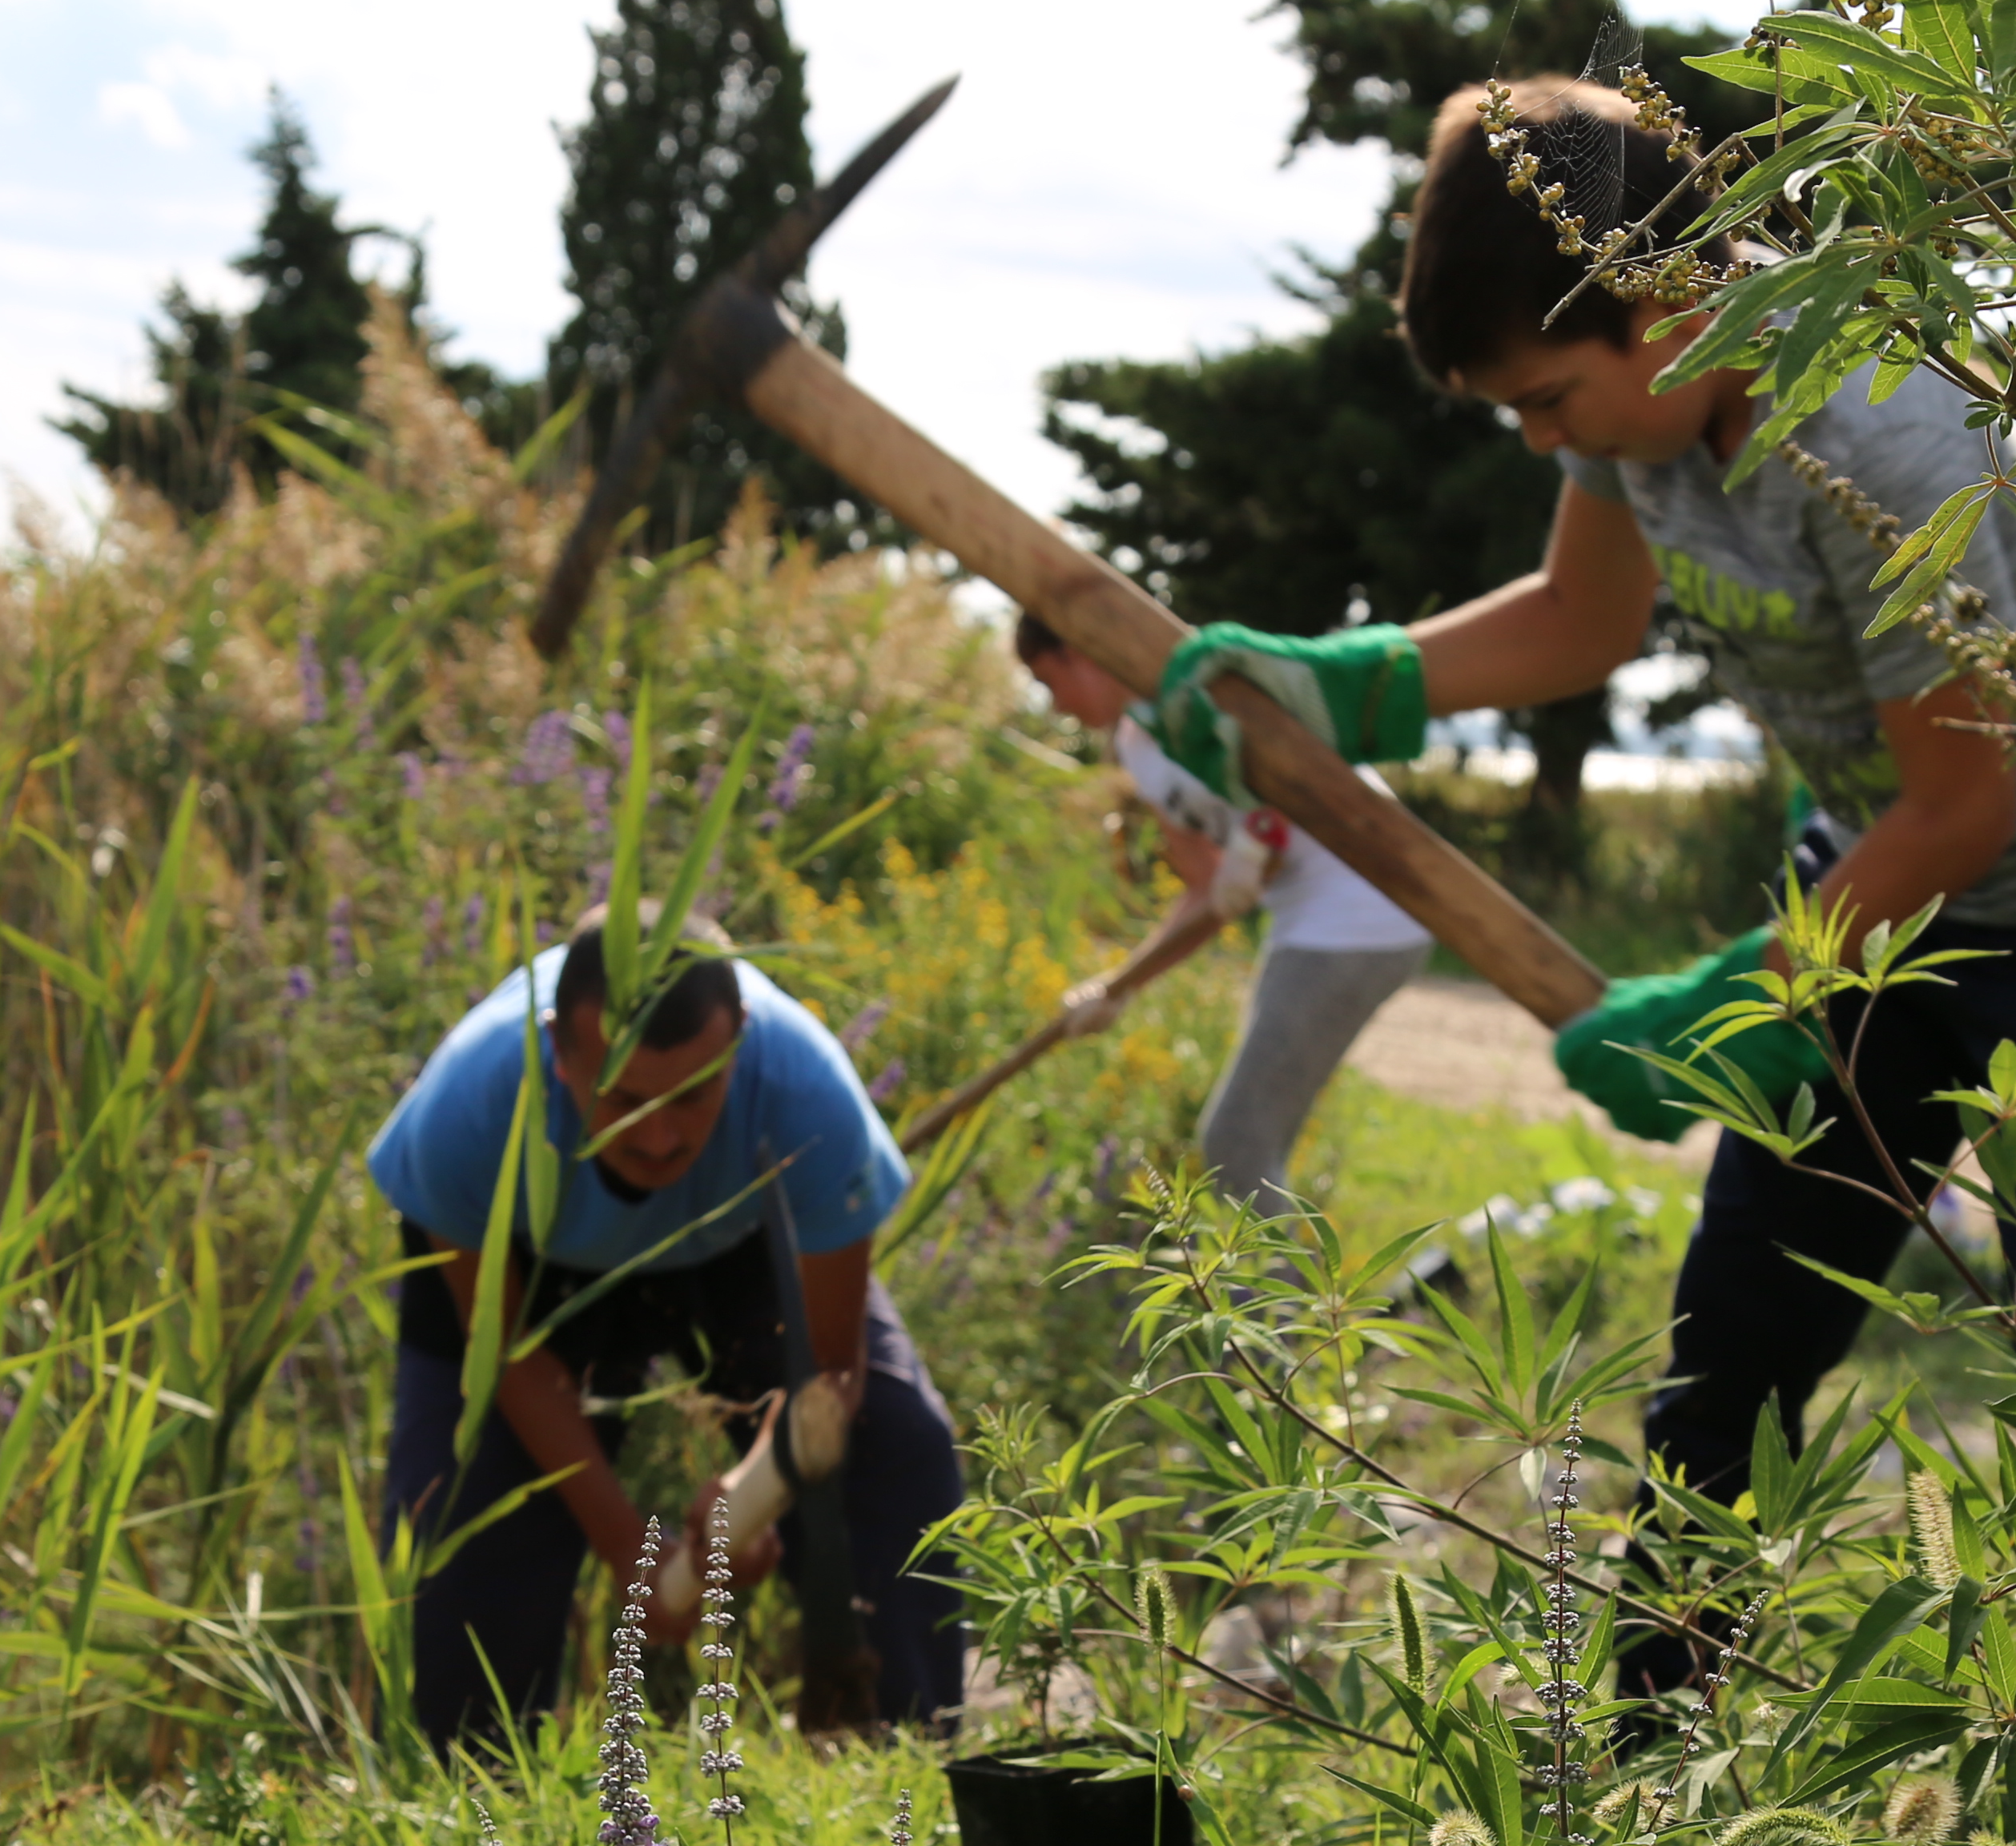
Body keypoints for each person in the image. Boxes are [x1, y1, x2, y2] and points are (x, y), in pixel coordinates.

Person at [1141, 76, 2016, 1703]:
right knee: (1730, 1369)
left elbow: (1967, 801)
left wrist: (1737, 998)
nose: (1540, 438)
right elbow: (1584, 621)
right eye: (1516, 416)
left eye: (1551, 399)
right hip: (1879, 885)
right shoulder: (1637, 407)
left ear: (1668, 297)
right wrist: (1349, 684)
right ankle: (1652, 1756)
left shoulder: (1874, 434)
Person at [372, 908, 963, 1751]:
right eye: (623, 1098)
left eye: (694, 1094)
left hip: (736, 1238)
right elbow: (502, 1352)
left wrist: (752, 1494)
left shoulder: (807, 1092)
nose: (659, 1136)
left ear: (741, 1044)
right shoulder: (470, 1104)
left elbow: (831, 1373)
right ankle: (473, 1794)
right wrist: (625, 1542)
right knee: (467, 1518)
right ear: (560, 1052)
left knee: (897, 1446)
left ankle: (908, 1757)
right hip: (532, 1263)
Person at [1012, 610, 1432, 1213]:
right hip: (1312, 922)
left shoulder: (1206, 691)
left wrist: (1256, 856)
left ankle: (1280, 1310)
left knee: (1237, 1141)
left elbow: (1272, 835)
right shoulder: (1139, 749)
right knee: (1250, 1145)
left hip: (1361, 912)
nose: (1056, 706)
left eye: (1050, 682)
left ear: (1081, 651)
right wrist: (1117, 987)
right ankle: (1282, 1302)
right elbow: (1209, 888)